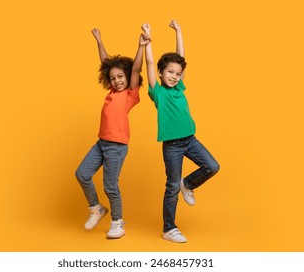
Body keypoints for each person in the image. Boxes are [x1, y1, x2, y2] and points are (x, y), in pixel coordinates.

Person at [142, 21, 220, 243]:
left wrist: (179, 31)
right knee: (171, 186)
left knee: (212, 166)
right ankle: (169, 229)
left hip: (190, 140)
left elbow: (181, 56)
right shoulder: (157, 92)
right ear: (160, 73)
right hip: (172, 146)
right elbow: (149, 62)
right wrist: (148, 40)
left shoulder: (179, 87)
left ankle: (189, 184)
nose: (174, 76)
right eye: (169, 72)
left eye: (177, 73)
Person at [75, 28, 149, 239]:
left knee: (110, 186)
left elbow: (136, 70)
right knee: (82, 174)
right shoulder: (111, 92)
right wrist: (99, 40)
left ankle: (117, 222)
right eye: (113, 78)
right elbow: (105, 62)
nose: (117, 81)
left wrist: (141, 46)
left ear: (127, 78)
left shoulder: (129, 95)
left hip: (116, 146)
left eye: (120, 77)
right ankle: (96, 208)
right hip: (101, 143)